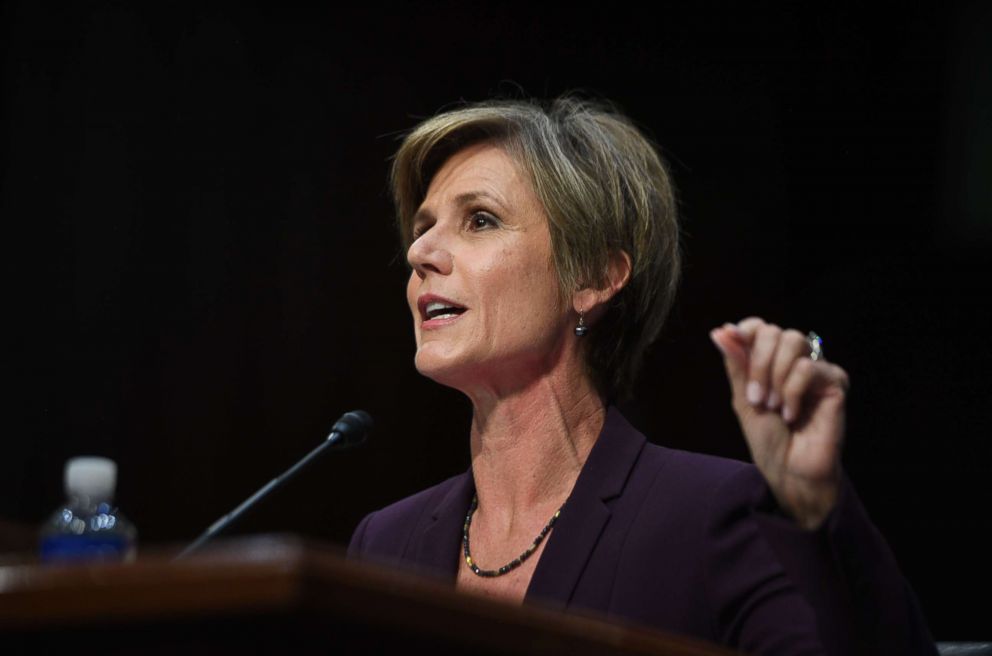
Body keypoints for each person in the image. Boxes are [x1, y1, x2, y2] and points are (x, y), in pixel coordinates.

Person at [348, 97, 937, 655]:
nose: (421, 252)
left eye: (480, 220)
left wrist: (815, 509)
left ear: (596, 279)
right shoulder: (384, 545)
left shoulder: (709, 516)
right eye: (423, 226)